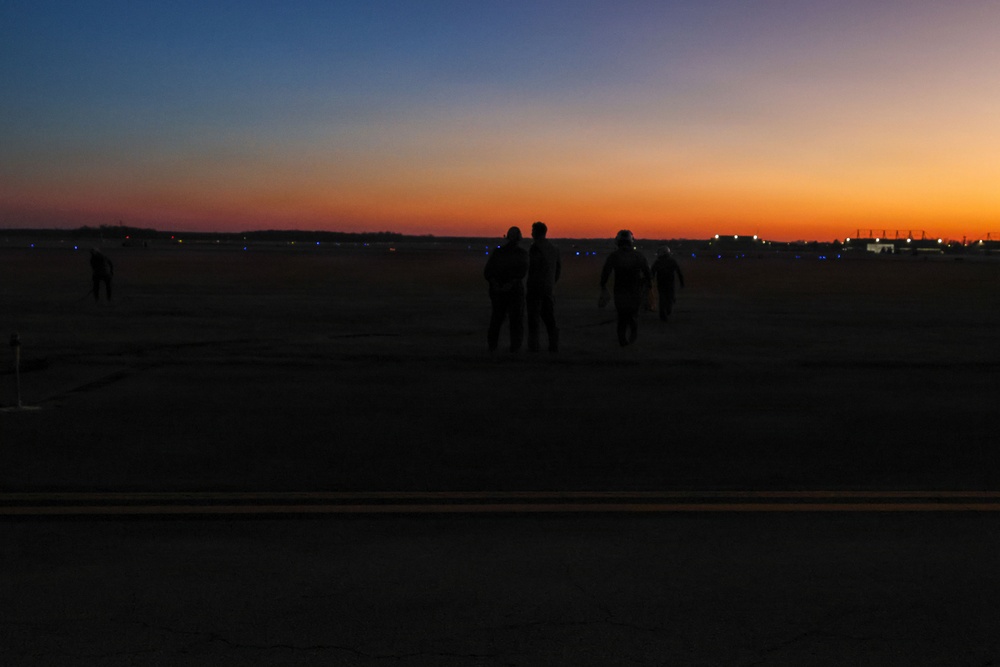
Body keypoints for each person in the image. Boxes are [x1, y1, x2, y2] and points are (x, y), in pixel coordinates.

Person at [599, 230, 651, 347]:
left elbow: (605, 272)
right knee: (633, 314)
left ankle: (622, 340)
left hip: (620, 290)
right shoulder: (639, 256)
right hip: (635, 291)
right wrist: (647, 285)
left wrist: (603, 285)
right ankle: (633, 333)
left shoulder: (614, 256)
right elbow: (647, 273)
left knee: (622, 316)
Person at [484, 226, 529, 352]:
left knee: (496, 320)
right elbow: (522, 272)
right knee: (515, 321)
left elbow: (488, 272)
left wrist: (496, 285)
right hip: (513, 292)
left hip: (498, 292)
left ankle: (492, 347)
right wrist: (509, 285)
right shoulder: (522, 254)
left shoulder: (498, 252)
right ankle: (515, 348)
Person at [526, 221, 561, 353]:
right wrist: (551, 283)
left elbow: (532, 268)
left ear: (536, 233)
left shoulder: (535, 248)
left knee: (533, 320)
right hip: (548, 288)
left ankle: (533, 348)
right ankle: (553, 346)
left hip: (535, 288)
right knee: (549, 319)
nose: (531, 233)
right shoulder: (554, 248)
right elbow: (558, 269)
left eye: (533, 230)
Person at [650, 245, 685, 321]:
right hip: (669, 283)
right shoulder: (672, 261)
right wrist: (682, 282)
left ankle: (663, 314)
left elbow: (652, 273)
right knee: (669, 298)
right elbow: (679, 272)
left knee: (663, 298)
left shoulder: (658, 262)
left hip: (661, 283)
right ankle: (666, 312)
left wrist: (650, 280)